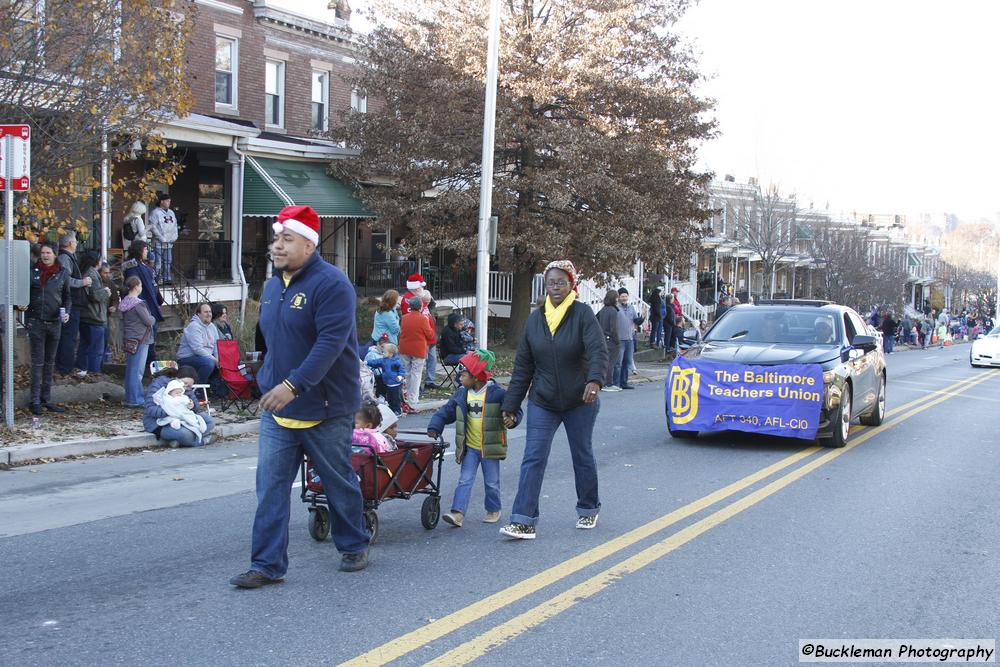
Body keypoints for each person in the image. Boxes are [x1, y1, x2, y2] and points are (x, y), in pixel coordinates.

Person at [230, 204, 370, 589]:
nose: (276, 246)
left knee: (337, 481)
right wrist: (266, 378)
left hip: (325, 407)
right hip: (277, 410)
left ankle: (354, 542)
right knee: (270, 487)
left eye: (286, 239)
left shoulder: (333, 285)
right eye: (276, 238)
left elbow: (329, 344)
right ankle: (267, 564)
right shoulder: (273, 286)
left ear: (309, 244)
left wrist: (292, 385)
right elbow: (271, 339)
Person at [499, 260, 607, 540]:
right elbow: (523, 366)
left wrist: (594, 381)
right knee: (533, 457)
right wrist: (510, 405)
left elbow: (597, 350)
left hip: (579, 400)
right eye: (551, 282)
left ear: (572, 284)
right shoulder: (535, 320)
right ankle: (523, 520)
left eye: (561, 282)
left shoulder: (583, 314)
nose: (556, 287)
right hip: (543, 400)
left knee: (581, 455)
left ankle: (588, 509)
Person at [427, 349, 521, 528]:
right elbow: (446, 412)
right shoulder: (462, 394)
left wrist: (512, 418)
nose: (459, 379)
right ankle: (457, 513)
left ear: (476, 376)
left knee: (492, 482)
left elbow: (514, 409)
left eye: (463, 375)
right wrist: (434, 426)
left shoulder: (497, 394)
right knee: (465, 479)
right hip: (469, 447)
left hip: (489, 448)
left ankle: (494, 509)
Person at [25, 242, 71, 415]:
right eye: (43, 253)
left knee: (50, 362)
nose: (45, 255)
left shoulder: (62, 273)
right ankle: (34, 400)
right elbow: (25, 294)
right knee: (37, 362)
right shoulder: (32, 272)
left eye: (48, 253)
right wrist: (23, 307)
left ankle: (47, 398)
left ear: (55, 254)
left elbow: (67, 298)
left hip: (55, 323)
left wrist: (66, 313)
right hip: (36, 322)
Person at [143, 365, 215, 447]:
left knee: (210, 421)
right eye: (185, 383)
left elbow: (196, 407)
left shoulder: (185, 388)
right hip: (159, 422)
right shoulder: (159, 384)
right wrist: (172, 411)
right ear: (176, 378)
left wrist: (191, 404)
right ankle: (203, 441)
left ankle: (178, 441)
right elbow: (150, 409)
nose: (186, 386)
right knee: (186, 434)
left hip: (184, 418)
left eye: (189, 386)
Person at [54, 232, 92, 375]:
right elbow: (65, 279)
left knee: (69, 336)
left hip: (72, 302)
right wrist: (82, 282)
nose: (76, 244)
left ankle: (64, 366)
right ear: (70, 243)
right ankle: (64, 368)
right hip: (70, 304)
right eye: (75, 241)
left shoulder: (68, 257)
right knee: (68, 336)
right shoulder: (65, 257)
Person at [122, 240, 164, 362]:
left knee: (152, 341)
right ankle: (149, 368)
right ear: (139, 250)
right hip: (143, 308)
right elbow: (133, 286)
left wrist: (158, 300)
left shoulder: (145, 266)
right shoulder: (132, 267)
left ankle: (150, 367)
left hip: (152, 305)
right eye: (145, 249)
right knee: (146, 342)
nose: (147, 252)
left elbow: (152, 286)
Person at [119, 276, 156, 408]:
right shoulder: (138, 303)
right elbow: (148, 320)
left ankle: (130, 397)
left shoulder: (124, 302)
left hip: (129, 338)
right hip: (141, 339)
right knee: (137, 371)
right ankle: (136, 399)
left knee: (131, 370)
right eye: (140, 285)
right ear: (136, 287)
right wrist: (153, 318)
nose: (141, 288)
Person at [398, 295, 436, 409]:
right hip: (418, 349)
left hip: (404, 348)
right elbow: (430, 334)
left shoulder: (404, 317)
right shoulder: (423, 318)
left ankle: (407, 396)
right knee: (416, 373)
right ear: (420, 307)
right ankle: (413, 399)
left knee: (407, 373)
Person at [155, 379, 209, 446]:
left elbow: (193, 406)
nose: (179, 395)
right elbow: (162, 407)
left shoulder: (183, 397)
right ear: (169, 392)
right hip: (173, 417)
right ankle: (201, 441)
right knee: (185, 434)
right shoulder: (166, 398)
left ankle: (179, 442)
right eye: (176, 393)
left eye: (180, 392)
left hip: (185, 415)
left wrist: (191, 405)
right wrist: (171, 412)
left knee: (208, 421)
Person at [176, 302, 219, 385]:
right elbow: (197, 349)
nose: (209, 314)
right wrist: (214, 360)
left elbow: (216, 345)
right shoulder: (194, 326)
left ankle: (215, 389)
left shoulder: (212, 327)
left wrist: (218, 359)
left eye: (210, 312)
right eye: (205, 312)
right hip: (187, 357)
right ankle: (198, 389)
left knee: (222, 363)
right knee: (209, 363)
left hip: (205, 357)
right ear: (198, 314)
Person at [366, 340, 405, 415]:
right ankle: (391, 409)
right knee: (389, 398)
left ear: (390, 354)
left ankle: (397, 410)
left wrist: (400, 376)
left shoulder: (396, 361)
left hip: (396, 384)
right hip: (388, 383)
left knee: (395, 398)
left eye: (384, 352)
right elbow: (375, 362)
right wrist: (367, 362)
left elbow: (401, 370)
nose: (383, 353)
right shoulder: (384, 360)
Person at [148, 192, 178, 284]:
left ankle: (166, 278)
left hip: (169, 242)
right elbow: (152, 226)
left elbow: (175, 225)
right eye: (167, 201)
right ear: (162, 202)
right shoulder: (155, 212)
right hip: (158, 242)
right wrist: (161, 238)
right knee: (158, 262)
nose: (169, 203)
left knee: (168, 261)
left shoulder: (171, 212)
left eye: (169, 201)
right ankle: (156, 278)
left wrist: (175, 236)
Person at [596, 290, 621, 392]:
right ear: (615, 298)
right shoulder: (613, 311)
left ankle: (603, 382)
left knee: (604, 362)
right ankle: (608, 383)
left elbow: (595, 319)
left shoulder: (603, 310)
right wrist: (617, 340)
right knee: (611, 363)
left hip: (602, 339)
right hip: (611, 341)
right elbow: (613, 328)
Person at [615, 288, 639, 390]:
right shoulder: (615, 308)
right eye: (622, 296)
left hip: (629, 338)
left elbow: (635, 320)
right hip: (620, 339)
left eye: (625, 296)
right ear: (619, 297)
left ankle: (624, 382)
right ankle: (616, 383)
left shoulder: (631, 307)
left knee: (627, 362)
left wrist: (642, 318)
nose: (624, 298)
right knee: (618, 363)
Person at [420, 291, 438, 390]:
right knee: (421, 362)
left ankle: (429, 381)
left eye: (428, 300)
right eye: (425, 301)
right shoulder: (420, 308)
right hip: (424, 339)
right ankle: (419, 383)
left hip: (431, 339)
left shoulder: (428, 307)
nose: (427, 302)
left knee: (432, 360)